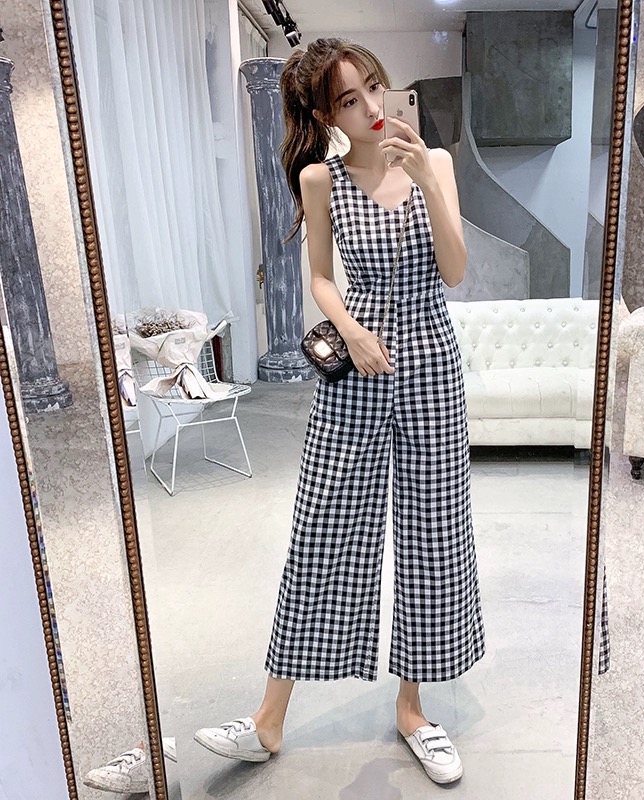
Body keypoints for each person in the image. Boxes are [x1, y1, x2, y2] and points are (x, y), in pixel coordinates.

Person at [194, 37, 485, 785]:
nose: (371, 109)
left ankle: (413, 710)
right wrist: (350, 329)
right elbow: (321, 277)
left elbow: (455, 271)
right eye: (349, 101)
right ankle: (268, 720)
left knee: (432, 534)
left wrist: (427, 179)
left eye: (374, 89)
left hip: (431, 366)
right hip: (357, 369)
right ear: (326, 115)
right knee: (322, 528)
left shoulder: (435, 163)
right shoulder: (321, 179)